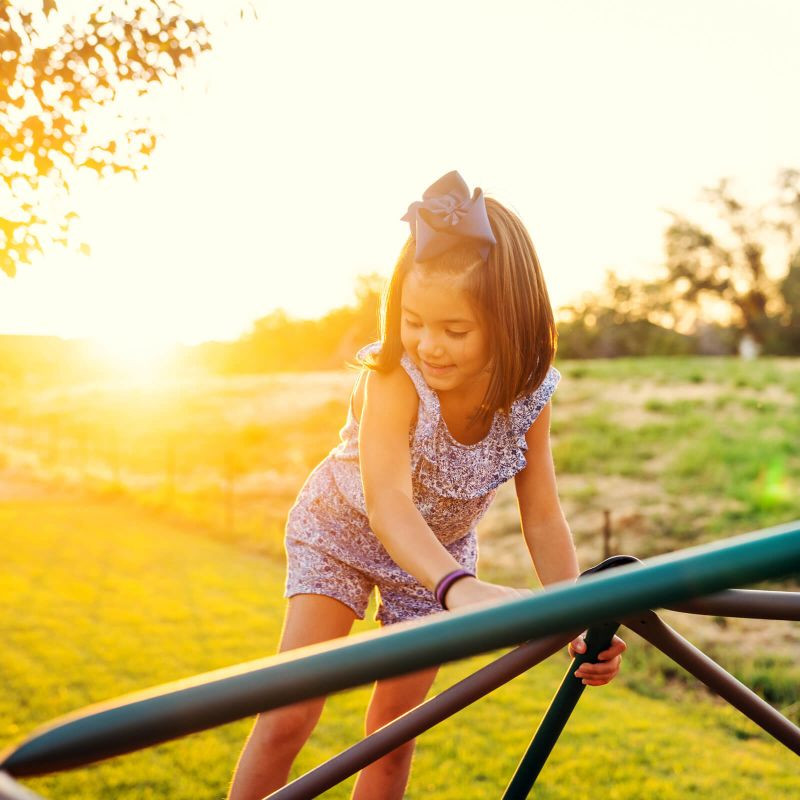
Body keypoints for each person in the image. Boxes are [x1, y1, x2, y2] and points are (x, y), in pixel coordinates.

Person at [227, 171, 627, 800]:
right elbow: (388, 504)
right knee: (288, 715)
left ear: (507, 320)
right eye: (413, 321)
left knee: (392, 737)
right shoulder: (395, 379)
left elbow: (543, 517)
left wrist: (575, 615)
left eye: (455, 330)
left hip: (435, 561)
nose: (429, 346)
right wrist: (459, 589)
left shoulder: (529, 394)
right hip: (344, 531)